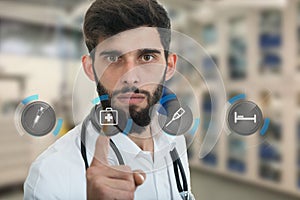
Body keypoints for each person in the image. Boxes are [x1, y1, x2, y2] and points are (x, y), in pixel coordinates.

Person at [24, 0, 194, 199]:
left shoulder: (175, 143)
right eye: (113, 58)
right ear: (90, 68)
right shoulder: (51, 176)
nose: (130, 76)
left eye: (147, 57)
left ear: (170, 65)